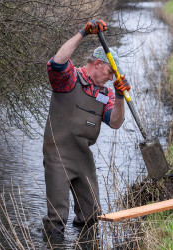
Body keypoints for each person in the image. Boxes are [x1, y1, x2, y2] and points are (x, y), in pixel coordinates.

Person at [42, 20, 131, 239]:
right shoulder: (70, 79)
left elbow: (115, 122)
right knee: (57, 220)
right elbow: (56, 63)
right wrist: (82, 32)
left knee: (91, 216)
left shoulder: (106, 93)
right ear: (98, 64)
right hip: (58, 155)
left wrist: (120, 97)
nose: (111, 78)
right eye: (110, 72)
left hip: (83, 156)